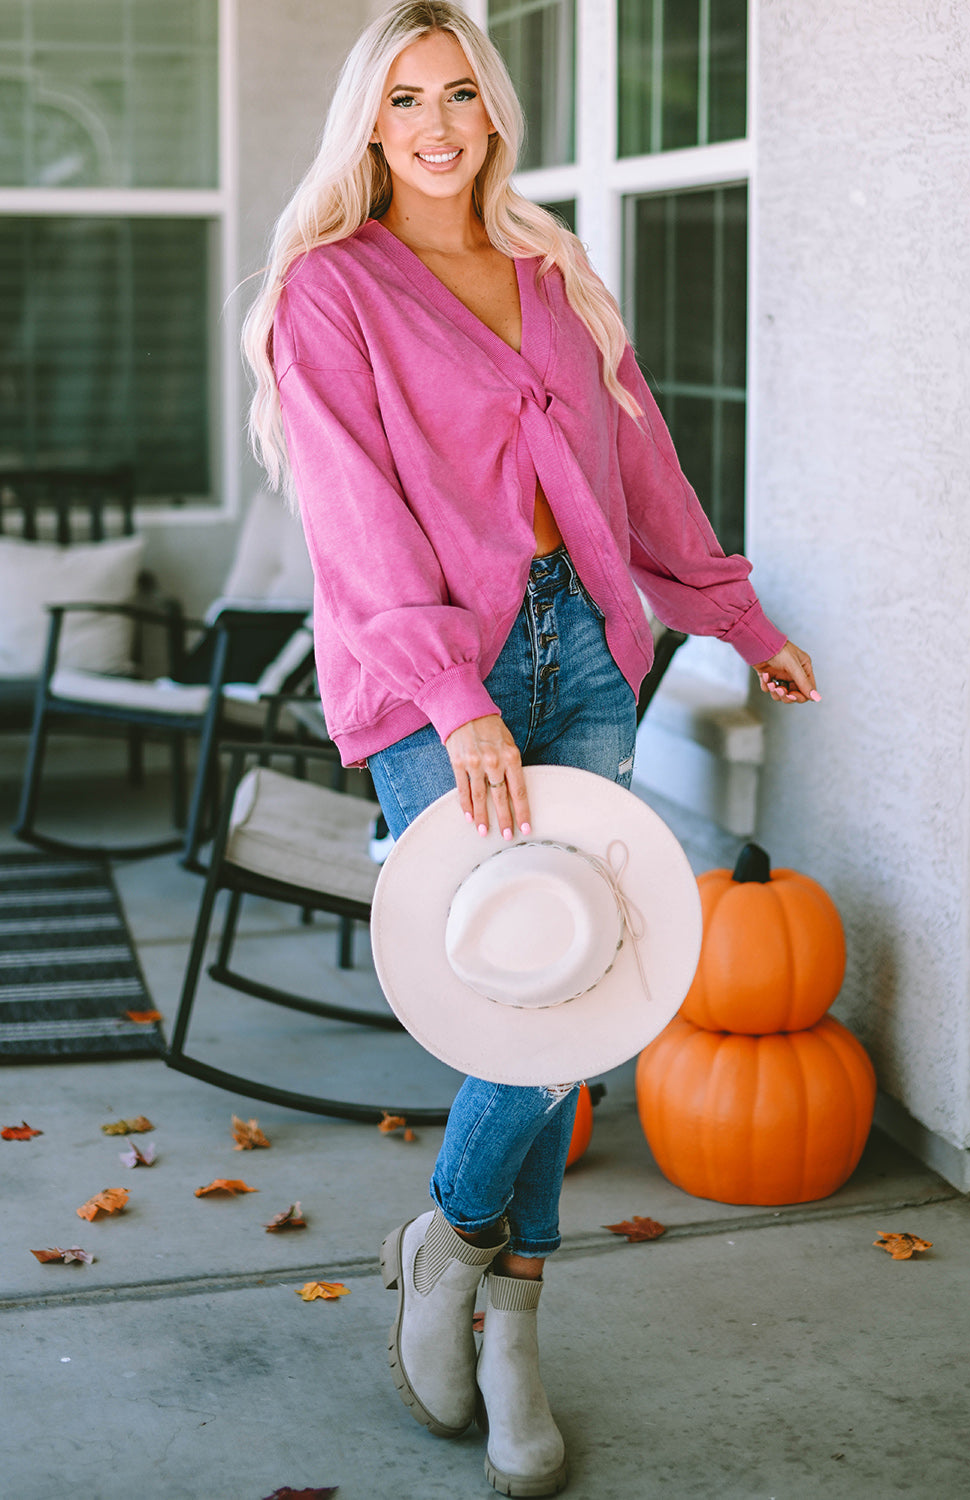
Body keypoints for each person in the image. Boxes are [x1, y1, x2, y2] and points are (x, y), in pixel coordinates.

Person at [243, 4, 819, 1494]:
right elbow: (356, 523)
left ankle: (481, 1288)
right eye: (404, 101)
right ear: (368, 126)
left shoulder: (550, 267)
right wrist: (457, 696)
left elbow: (638, 459)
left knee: (577, 986)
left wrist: (733, 615)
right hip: (449, 675)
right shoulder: (329, 292)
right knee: (519, 998)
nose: (435, 125)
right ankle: (478, 1280)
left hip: (591, 657)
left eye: (459, 96)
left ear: (492, 112)